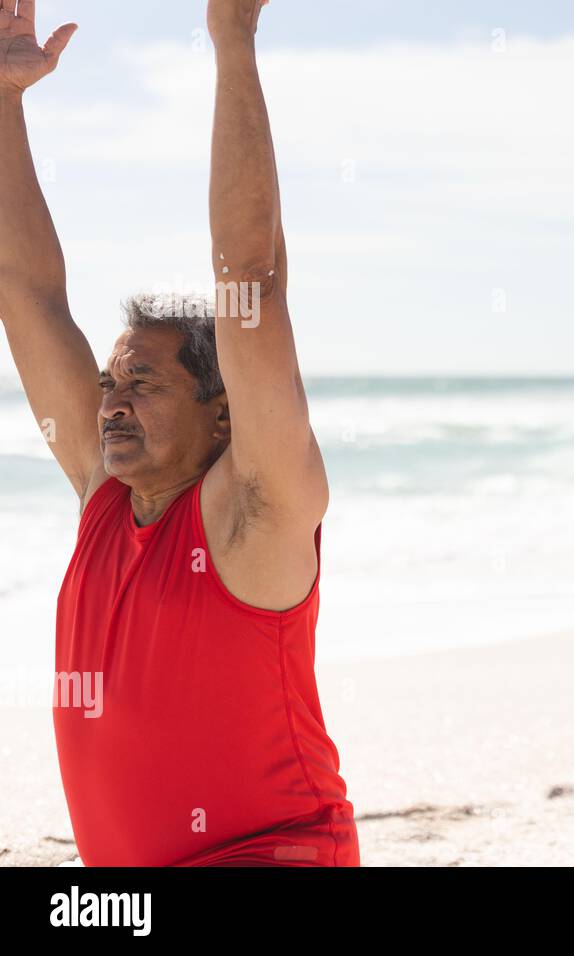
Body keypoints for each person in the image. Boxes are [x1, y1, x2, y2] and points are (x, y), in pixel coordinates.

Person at [0, 0, 359, 865]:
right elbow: (25, 289)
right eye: (109, 383)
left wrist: (232, 37)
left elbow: (253, 279)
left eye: (146, 383)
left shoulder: (256, 513)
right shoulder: (104, 491)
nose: (112, 404)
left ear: (223, 409)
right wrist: (4, 103)